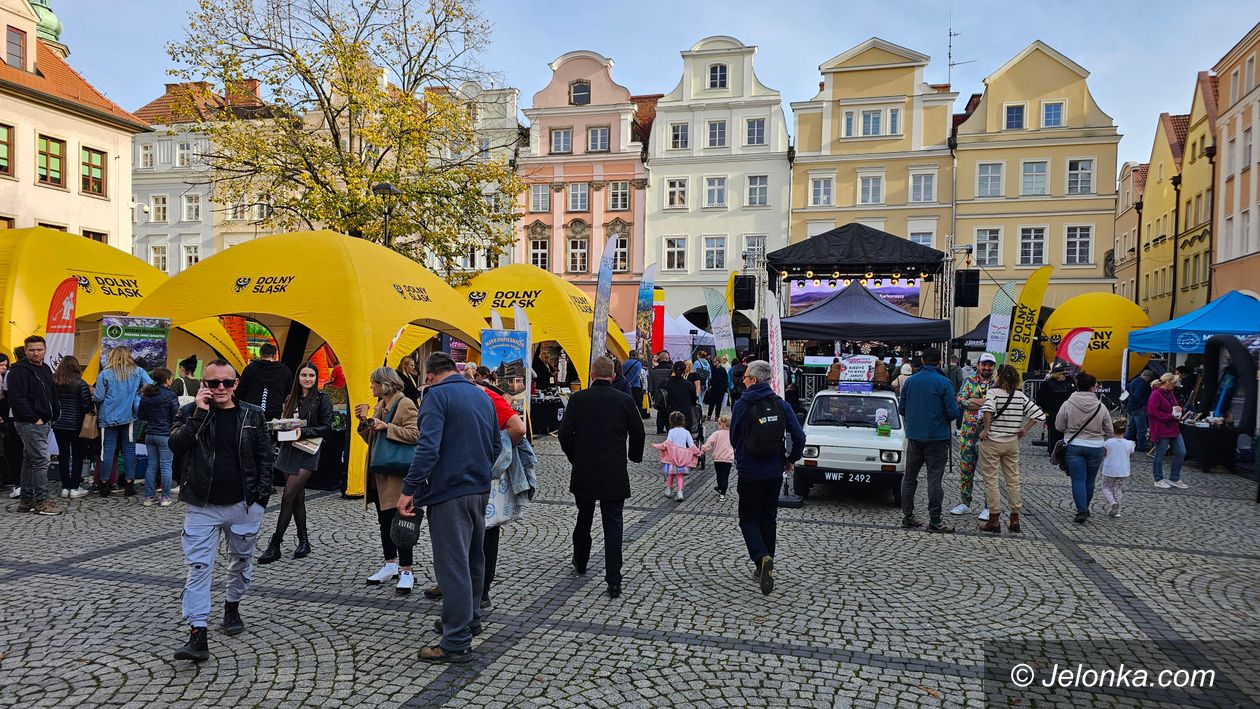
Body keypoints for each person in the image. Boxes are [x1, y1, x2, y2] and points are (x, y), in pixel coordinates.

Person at [397, 352, 501, 664]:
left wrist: (409, 489)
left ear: (429, 375)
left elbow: (427, 448)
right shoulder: (481, 395)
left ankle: (456, 641)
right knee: (472, 559)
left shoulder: (436, 397)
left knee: (453, 565)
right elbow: (497, 445)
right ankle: (470, 620)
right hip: (479, 489)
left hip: (448, 492)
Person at [170, 358, 274, 662]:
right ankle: (197, 633)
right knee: (199, 567)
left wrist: (260, 501)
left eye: (226, 383)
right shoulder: (190, 412)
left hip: (244, 503)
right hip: (202, 504)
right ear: (203, 384)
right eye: (213, 383)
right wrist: (200, 413)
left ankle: (232, 605)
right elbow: (177, 444)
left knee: (240, 561)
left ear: (235, 384)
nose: (220, 389)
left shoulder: (253, 415)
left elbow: (265, 459)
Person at [558, 356, 644, 599]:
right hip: (613, 470)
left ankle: (581, 560)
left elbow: (564, 434)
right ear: (613, 376)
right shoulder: (625, 400)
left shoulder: (578, 399)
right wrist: (634, 456)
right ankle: (613, 578)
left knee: (583, 518)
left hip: (585, 468)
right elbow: (638, 431)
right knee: (613, 523)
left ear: (592, 375)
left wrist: (575, 456)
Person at [729, 360, 806, 595]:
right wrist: (790, 459)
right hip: (774, 471)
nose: (743, 379)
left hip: (750, 471)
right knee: (768, 518)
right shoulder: (781, 404)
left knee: (748, 519)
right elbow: (799, 436)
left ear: (753, 379)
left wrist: (742, 455)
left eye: (745, 377)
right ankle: (764, 564)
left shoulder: (742, 404)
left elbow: (734, 437)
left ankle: (761, 558)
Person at [259, 362, 334, 563]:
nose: (307, 379)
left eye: (311, 375)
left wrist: (305, 431)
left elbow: (327, 427)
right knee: (297, 499)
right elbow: (285, 423)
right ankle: (304, 541)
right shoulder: (289, 399)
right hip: (288, 450)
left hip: (308, 450)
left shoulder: (321, 398)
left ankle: (275, 544)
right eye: (304, 375)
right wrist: (279, 426)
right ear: (298, 378)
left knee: (287, 496)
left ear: (316, 378)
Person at [356, 367, 419, 594]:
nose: (371, 387)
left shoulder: (405, 404)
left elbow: (416, 434)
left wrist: (387, 426)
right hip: (379, 474)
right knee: (384, 521)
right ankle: (390, 564)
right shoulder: (382, 405)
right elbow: (375, 441)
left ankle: (407, 570)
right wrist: (364, 423)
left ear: (384, 384)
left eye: (373, 383)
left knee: (401, 524)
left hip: (397, 475)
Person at [897, 348, 961, 534]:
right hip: (937, 438)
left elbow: (902, 409)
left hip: (915, 437)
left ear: (923, 360)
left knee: (909, 478)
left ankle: (907, 517)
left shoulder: (910, 382)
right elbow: (953, 413)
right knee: (934, 479)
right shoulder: (944, 382)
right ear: (940, 362)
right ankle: (935, 520)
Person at [976, 365, 1045, 534]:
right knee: (1013, 480)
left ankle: (994, 519)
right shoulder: (1019, 395)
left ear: (999, 376)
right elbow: (1039, 414)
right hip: (1011, 442)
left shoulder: (993, 393)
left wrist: (986, 429)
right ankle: (1015, 518)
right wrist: (1025, 429)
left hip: (992, 442)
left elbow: (987, 409)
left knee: (991, 480)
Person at [7, 336, 61, 515]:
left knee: (30, 461)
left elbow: (52, 392)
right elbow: (17, 400)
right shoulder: (18, 371)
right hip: (29, 422)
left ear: (45, 350)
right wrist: (34, 418)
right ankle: (41, 501)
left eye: (39, 349)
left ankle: (26, 500)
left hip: (43, 421)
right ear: (26, 350)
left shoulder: (44, 368)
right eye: (32, 350)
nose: (36, 353)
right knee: (41, 461)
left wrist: (55, 413)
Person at [94, 346, 153, 497]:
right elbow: (151, 387)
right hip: (130, 417)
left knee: (107, 452)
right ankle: (129, 485)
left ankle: (104, 485)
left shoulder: (104, 374)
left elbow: (99, 398)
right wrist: (137, 396)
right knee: (129, 451)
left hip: (107, 418)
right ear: (129, 356)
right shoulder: (138, 372)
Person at [1055, 372, 1113, 524]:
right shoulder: (1101, 407)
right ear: (1093, 388)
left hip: (1074, 445)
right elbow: (1110, 431)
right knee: (1090, 480)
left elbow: (1059, 426)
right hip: (1096, 446)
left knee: (1078, 479)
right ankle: (1085, 508)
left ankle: (1081, 510)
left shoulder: (1067, 404)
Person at [953, 352, 996, 518]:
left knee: (988, 471)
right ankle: (965, 503)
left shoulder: (997, 384)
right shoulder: (969, 381)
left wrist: (974, 401)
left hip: (988, 433)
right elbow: (960, 400)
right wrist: (985, 402)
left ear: (993, 367)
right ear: (978, 365)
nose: (986, 368)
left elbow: (997, 405)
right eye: (984, 364)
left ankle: (988, 506)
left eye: (989, 365)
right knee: (966, 469)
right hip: (968, 433)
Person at [137, 368, 180, 507]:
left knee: (151, 465)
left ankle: (149, 497)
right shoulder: (171, 395)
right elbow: (176, 414)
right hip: (165, 434)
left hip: (150, 434)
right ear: (166, 379)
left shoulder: (147, 395)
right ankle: (165, 497)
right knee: (166, 466)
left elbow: (141, 415)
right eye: (171, 378)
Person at [51, 356, 91, 499]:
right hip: (76, 424)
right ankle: (74, 487)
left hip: (58, 423)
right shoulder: (80, 383)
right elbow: (86, 405)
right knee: (77, 456)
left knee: (63, 455)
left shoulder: (54, 382)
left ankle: (65, 486)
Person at [1148, 372, 1188, 490]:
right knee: (1159, 454)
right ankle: (1158, 478)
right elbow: (1152, 412)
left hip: (1173, 427)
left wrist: (1178, 409)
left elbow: (1174, 405)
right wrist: (1170, 416)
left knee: (1181, 452)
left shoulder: (1170, 393)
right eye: (1174, 383)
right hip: (1161, 428)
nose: (1175, 385)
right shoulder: (1155, 394)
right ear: (1168, 382)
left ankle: (1174, 478)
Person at [236, 343, 293, 422]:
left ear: (260, 354)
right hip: (275, 412)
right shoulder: (285, 370)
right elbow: (288, 392)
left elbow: (240, 391)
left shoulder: (250, 368)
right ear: (275, 355)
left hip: (252, 411)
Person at [655, 411, 699, 501]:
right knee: (679, 476)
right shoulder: (686, 432)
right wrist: (697, 452)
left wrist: (659, 446)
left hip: (672, 456)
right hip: (682, 457)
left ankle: (669, 489)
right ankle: (680, 492)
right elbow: (691, 445)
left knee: (671, 474)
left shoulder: (671, 431)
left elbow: (667, 443)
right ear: (683, 421)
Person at [1036, 364, 1075, 454]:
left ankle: (1064, 449)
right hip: (1053, 411)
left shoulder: (1069, 383)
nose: (1065, 376)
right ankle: (1053, 450)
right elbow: (1040, 398)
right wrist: (1047, 408)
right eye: (1063, 374)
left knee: (1066, 431)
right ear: (1058, 374)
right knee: (1054, 431)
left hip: (1067, 411)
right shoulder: (1047, 384)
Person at [1101, 420, 1135, 517]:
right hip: (1123, 470)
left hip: (1109, 469)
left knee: (1106, 487)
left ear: (1113, 430)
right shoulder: (1129, 444)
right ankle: (1117, 510)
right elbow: (1131, 455)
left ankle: (1112, 503)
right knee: (1117, 488)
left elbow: (1104, 453)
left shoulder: (1109, 442)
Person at [703, 416, 735, 500]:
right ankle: (722, 494)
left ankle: (720, 487)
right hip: (728, 459)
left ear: (721, 425)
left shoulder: (716, 434)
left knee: (719, 475)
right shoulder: (731, 434)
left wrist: (704, 449)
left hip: (717, 458)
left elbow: (709, 442)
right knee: (725, 476)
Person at [1123, 370, 1154, 452]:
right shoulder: (1143, 383)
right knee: (1141, 429)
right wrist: (1145, 404)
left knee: (1131, 427)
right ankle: (1142, 446)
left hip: (1131, 407)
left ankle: (1127, 443)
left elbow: (1127, 389)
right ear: (1148, 377)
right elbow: (1138, 395)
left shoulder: (1134, 380)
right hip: (1139, 408)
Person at [665, 360, 698, 433]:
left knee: (672, 434)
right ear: (684, 370)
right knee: (685, 433)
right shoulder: (688, 384)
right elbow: (694, 399)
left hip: (670, 411)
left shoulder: (666, 383)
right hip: (685, 411)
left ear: (673, 369)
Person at [648, 351, 673, 435]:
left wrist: (652, 395)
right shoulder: (671, 369)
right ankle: (669, 428)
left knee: (660, 411)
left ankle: (660, 429)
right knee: (669, 411)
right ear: (666, 358)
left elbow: (650, 385)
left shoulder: (653, 370)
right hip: (669, 393)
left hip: (658, 394)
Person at [704, 356, 729, 421]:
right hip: (720, 388)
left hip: (714, 387)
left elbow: (710, 377)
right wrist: (725, 387)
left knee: (712, 402)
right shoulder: (722, 369)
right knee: (718, 403)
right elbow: (726, 379)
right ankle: (716, 417)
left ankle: (709, 416)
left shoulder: (712, 369)